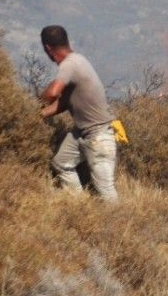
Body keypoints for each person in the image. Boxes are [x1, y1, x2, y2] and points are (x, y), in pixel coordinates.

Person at [38, 25, 118, 202]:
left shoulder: (69, 65)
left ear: (48, 49)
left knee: (106, 192)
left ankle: (127, 227)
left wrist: (36, 102)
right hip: (83, 133)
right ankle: (79, 205)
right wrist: (38, 114)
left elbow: (53, 93)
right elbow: (63, 102)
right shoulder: (77, 60)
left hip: (98, 135)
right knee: (61, 163)